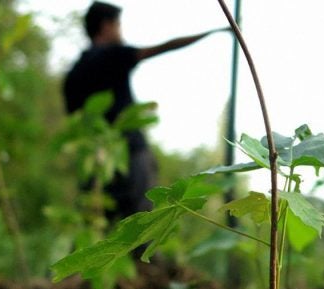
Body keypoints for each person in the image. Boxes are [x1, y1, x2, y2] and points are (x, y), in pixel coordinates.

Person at [63, 1, 228, 221]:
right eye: (118, 25)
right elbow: (162, 48)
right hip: (130, 155)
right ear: (106, 26)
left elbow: (74, 121)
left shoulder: (73, 75)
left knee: (98, 226)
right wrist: (215, 31)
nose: (120, 31)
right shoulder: (113, 56)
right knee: (141, 227)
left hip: (95, 162)